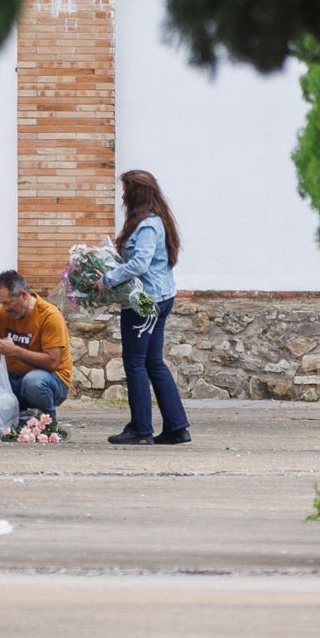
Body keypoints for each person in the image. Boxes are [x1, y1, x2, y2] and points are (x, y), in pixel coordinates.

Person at [103, 169, 191, 445]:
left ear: (136, 193)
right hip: (159, 297)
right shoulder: (151, 222)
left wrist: (107, 278)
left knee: (136, 362)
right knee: (152, 361)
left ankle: (141, 429)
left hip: (145, 301)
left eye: (126, 189)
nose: (122, 195)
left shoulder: (148, 225)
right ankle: (177, 427)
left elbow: (140, 264)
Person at [0, 270, 72, 421]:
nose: (5, 308)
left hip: (50, 381)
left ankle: (46, 422)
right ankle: (16, 416)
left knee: (33, 382)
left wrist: (15, 351)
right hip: (13, 378)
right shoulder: (3, 313)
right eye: (1, 303)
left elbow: (52, 362)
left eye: (8, 302)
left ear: (24, 295)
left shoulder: (50, 316)